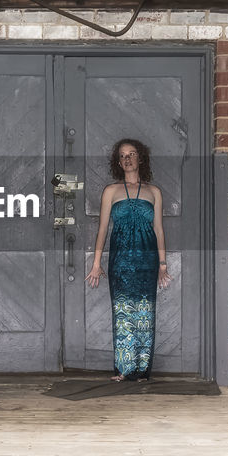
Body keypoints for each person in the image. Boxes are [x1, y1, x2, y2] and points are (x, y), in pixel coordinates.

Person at [84, 138, 171, 381]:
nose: (128, 159)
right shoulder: (111, 191)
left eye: (132, 154)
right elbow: (102, 229)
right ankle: (124, 369)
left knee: (145, 313)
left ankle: (142, 370)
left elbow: (159, 229)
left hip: (147, 259)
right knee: (123, 313)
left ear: (140, 158)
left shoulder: (154, 192)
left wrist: (162, 265)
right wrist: (96, 263)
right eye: (123, 156)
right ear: (118, 162)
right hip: (120, 260)